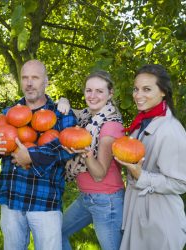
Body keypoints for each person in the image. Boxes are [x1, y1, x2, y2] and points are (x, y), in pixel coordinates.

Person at [0, 59, 77, 250]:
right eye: (25, 78)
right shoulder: (9, 113)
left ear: (46, 81)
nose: (29, 83)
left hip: (45, 201)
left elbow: (66, 148)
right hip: (12, 199)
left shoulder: (61, 113)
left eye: (35, 78)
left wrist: (31, 155)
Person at [116, 64, 186, 250]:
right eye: (136, 89)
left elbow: (181, 183)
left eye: (147, 89)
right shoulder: (143, 122)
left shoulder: (171, 131)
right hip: (138, 213)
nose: (138, 95)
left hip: (160, 222)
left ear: (163, 92)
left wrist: (141, 176)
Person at [60, 71, 124, 250]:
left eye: (99, 91)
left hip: (106, 199)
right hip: (87, 197)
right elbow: (66, 109)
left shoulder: (110, 125)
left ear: (110, 94)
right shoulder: (87, 116)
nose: (93, 96)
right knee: (57, 233)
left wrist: (85, 153)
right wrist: (63, 100)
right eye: (89, 90)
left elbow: (99, 174)